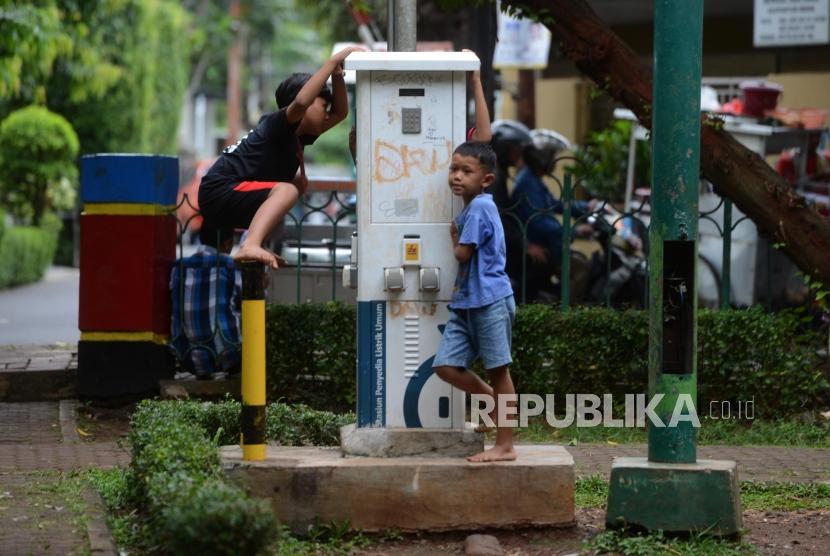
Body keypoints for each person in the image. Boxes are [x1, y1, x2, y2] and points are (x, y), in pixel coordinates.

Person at [198, 45, 365, 268]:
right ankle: (250, 244)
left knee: (290, 186)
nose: (327, 113)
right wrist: (332, 61)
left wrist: (337, 76)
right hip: (218, 190)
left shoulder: (300, 137)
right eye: (323, 105)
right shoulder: (276, 123)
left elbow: (340, 113)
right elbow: (301, 103)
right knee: (285, 190)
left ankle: (256, 244)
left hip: (231, 198)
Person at [432, 141, 517, 462]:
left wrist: (455, 237)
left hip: (490, 300)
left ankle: (505, 446)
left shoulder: (481, 207)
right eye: (454, 169)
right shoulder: (471, 208)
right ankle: (495, 405)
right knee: (444, 365)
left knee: (499, 370)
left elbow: (463, 254)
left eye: (466, 171)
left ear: (486, 179)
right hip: (467, 301)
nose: (457, 176)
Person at [170, 227, 242, 380]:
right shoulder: (229, 264)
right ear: (228, 244)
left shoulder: (179, 267)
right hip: (229, 356)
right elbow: (248, 299)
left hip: (187, 357)